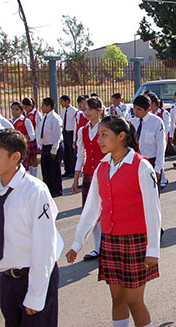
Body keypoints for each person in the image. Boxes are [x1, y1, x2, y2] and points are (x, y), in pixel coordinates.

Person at [66, 116, 161, 327]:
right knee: (117, 299)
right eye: (98, 134)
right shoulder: (102, 166)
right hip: (110, 240)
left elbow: (153, 211)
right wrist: (77, 243)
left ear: (121, 137)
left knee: (134, 301)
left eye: (104, 135)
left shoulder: (141, 166)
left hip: (135, 241)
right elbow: (91, 209)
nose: (99, 139)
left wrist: (153, 249)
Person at [0, 129, 63, 327]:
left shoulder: (35, 191)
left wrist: (36, 294)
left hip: (35, 276)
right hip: (8, 279)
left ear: (15, 157)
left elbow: (45, 247)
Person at [71, 96, 105, 261]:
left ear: (100, 111)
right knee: (92, 211)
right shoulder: (82, 130)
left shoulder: (105, 128)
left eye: (90, 109)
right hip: (89, 174)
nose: (87, 112)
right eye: (85, 109)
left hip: (105, 172)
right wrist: (76, 177)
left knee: (106, 210)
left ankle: (108, 246)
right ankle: (98, 247)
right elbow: (80, 155)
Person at [37, 98, 64, 197]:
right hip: (45, 146)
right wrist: (40, 145)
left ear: (49, 106)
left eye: (43, 105)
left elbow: (57, 135)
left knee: (54, 170)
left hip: (53, 147)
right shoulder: (44, 118)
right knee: (45, 169)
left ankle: (56, 190)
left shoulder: (55, 118)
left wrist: (54, 150)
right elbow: (41, 132)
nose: (42, 108)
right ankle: (48, 188)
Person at [9, 102, 36, 170]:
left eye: (17, 109)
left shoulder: (26, 121)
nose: (14, 111)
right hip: (11, 149)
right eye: (13, 109)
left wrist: (20, 137)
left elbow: (32, 136)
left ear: (22, 111)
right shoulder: (9, 122)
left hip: (22, 148)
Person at [22, 97, 42, 177]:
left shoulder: (36, 114)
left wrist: (39, 141)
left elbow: (39, 127)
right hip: (27, 138)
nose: (25, 109)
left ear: (31, 105)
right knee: (28, 158)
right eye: (24, 107)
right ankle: (31, 174)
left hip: (34, 138)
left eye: (26, 107)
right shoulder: (25, 114)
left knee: (34, 157)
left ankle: (35, 174)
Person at [60, 95, 78, 178]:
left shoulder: (74, 111)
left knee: (72, 152)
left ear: (67, 101)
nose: (61, 103)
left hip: (71, 132)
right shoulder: (63, 111)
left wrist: (74, 138)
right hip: (65, 132)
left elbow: (75, 124)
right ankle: (67, 169)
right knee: (66, 152)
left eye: (62, 101)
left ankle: (72, 169)